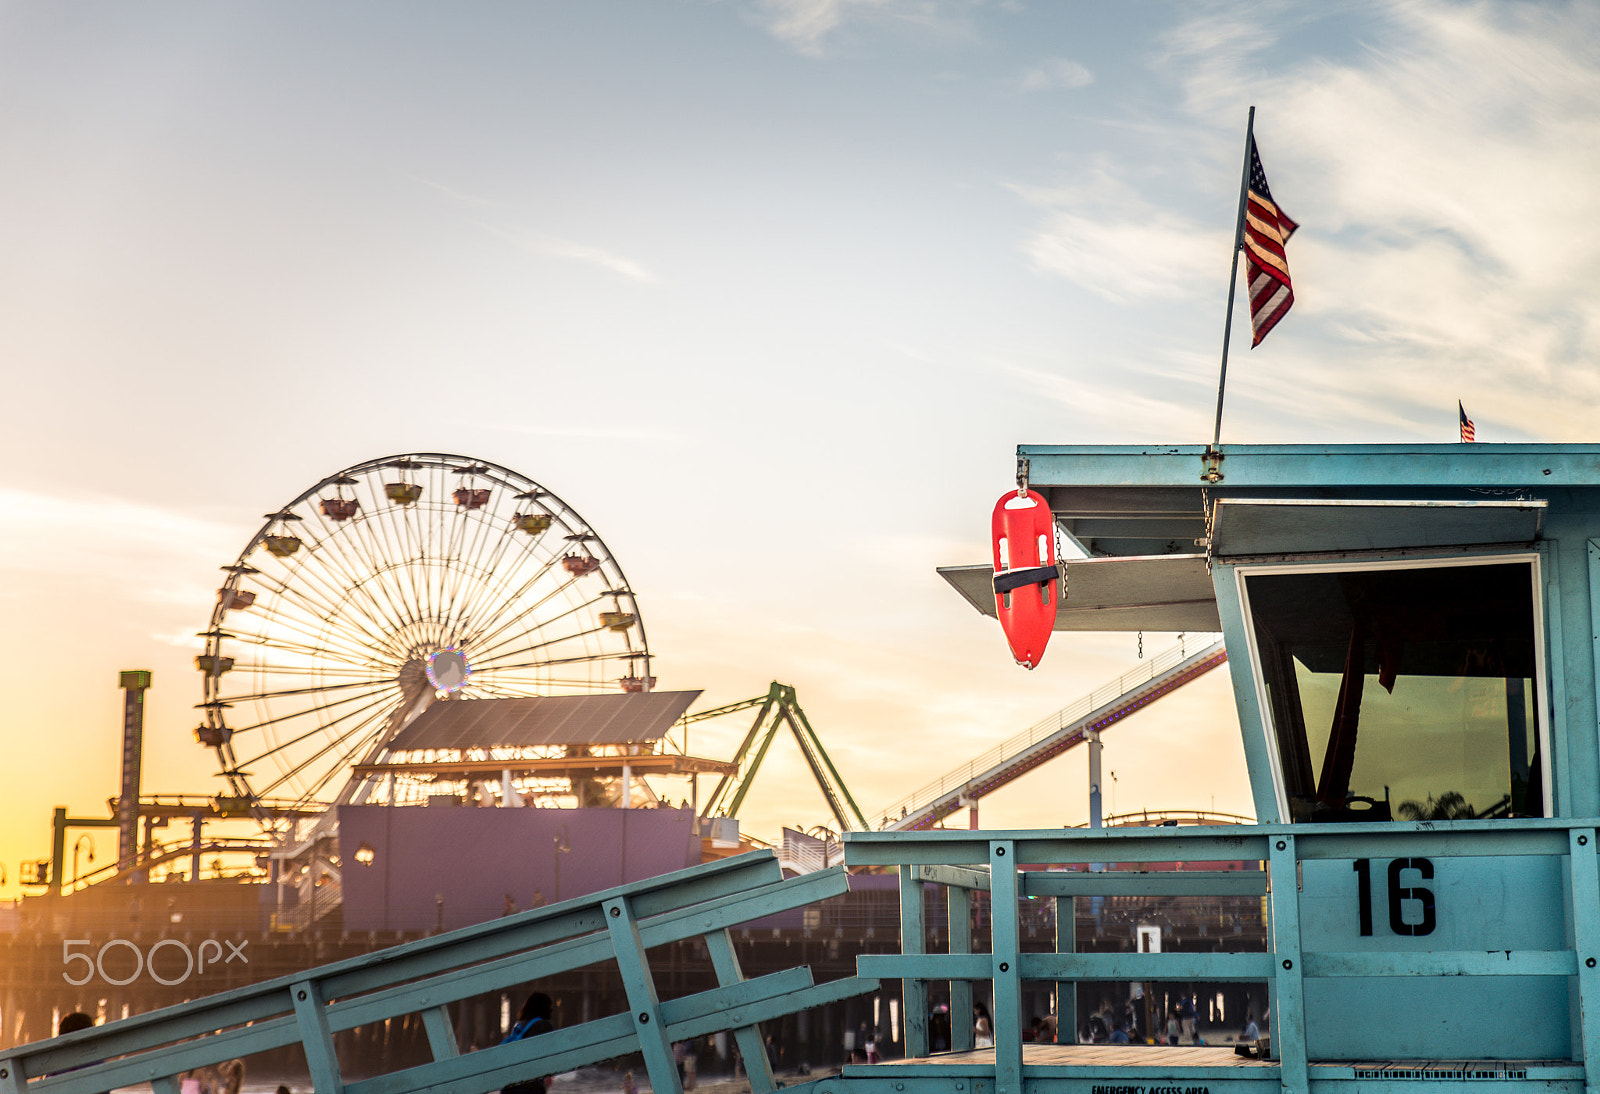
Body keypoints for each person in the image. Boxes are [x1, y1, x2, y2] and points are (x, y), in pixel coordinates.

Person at [500, 992, 554, 1094]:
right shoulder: (544, 1025)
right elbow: (545, 1053)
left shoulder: (519, 1025)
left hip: (510, 1085)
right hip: (531, 1086)